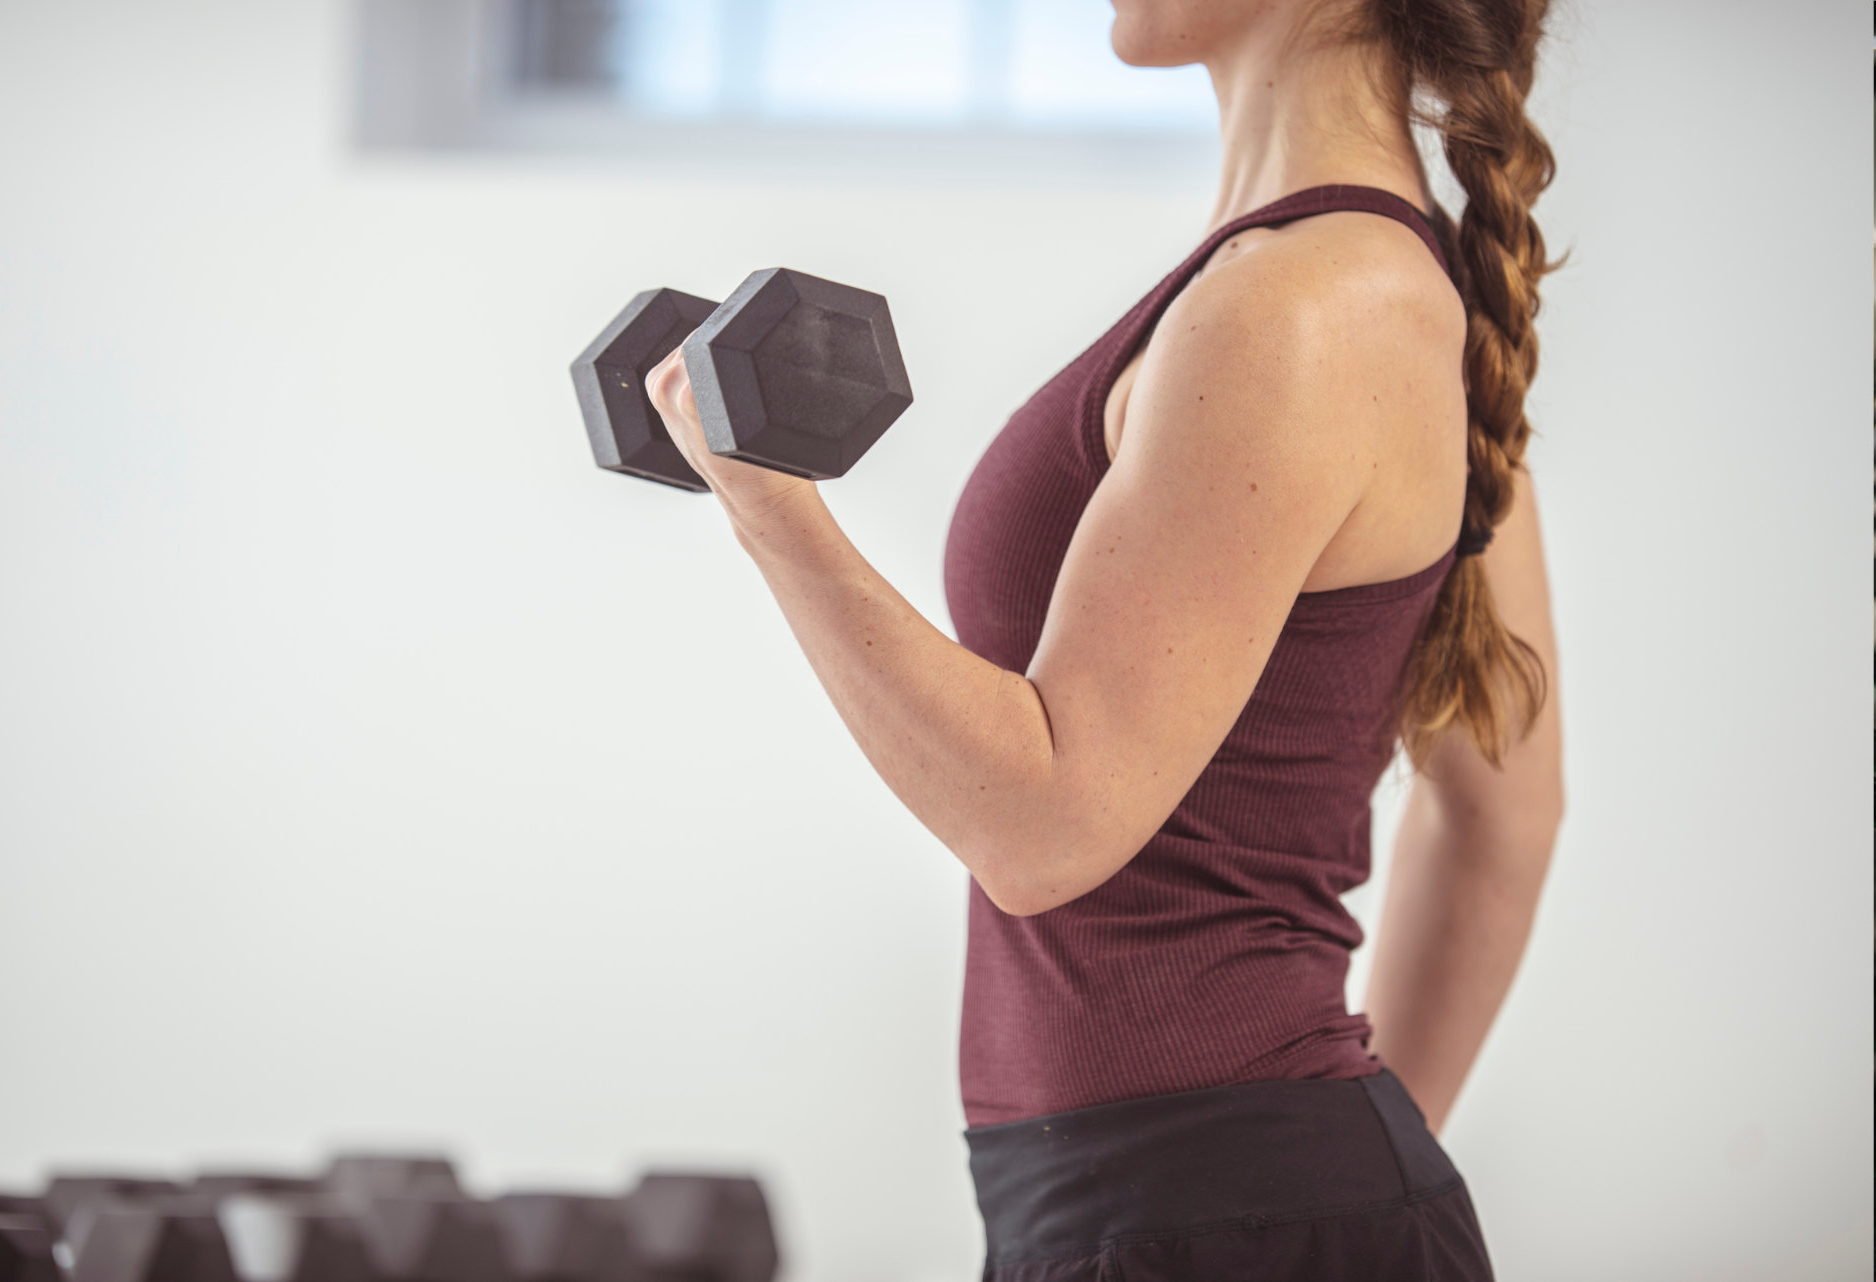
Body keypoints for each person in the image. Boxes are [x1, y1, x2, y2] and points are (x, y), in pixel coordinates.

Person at [646, 0, 1564, 1275]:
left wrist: (769, 509)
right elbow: (1502, 822)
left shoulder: (1297, 307)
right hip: (1194, 1208)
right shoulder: (1362, 293)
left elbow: (1044, 827)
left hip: (1196, 1209)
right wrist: (1317, 1186)